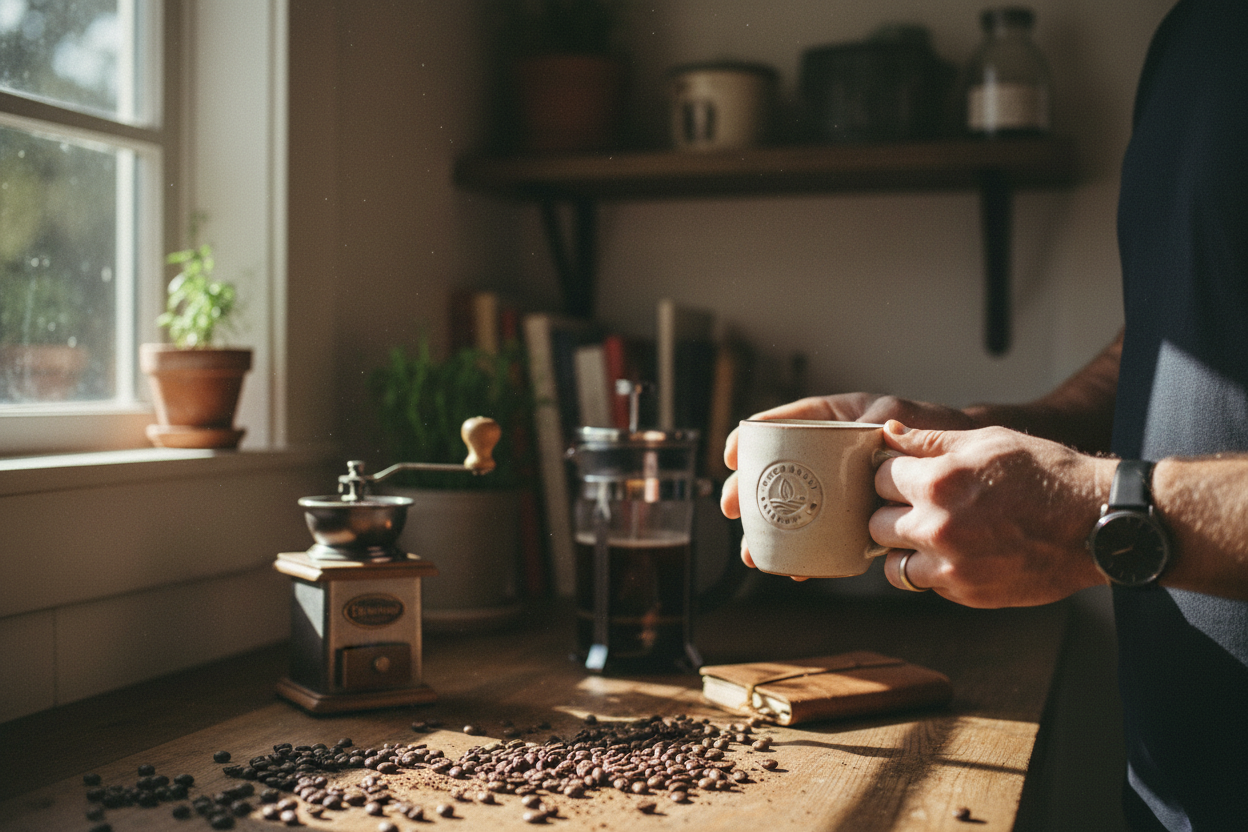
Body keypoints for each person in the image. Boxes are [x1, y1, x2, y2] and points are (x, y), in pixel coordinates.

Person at [720, 1, 1248, 829]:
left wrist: (1100, 514)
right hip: (1176, 780)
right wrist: (977, 430)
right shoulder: (1188, 37)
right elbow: (1181, 340)